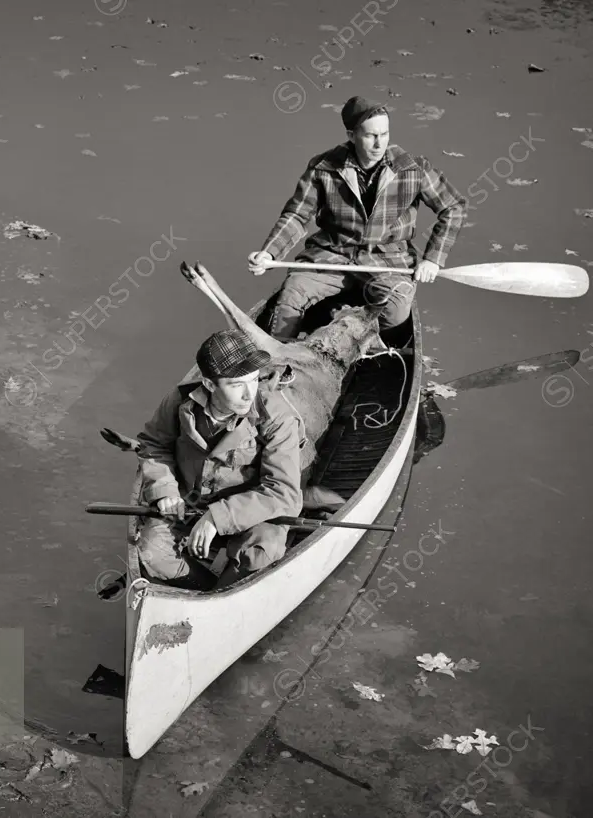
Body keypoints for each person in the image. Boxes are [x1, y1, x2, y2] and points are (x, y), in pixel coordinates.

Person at [249, 95, 467, 340]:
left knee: (395, 314)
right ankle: (279, 360)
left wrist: (433, 259)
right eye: (370, 136)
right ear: (351, 136)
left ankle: (348, 338)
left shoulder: (414, 169)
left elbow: (453, 208)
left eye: (384, 134)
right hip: (331, 254)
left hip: (388, 260)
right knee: (289, 297)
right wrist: (269, 253)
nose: (378, 144)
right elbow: (297, 214)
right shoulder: (324, 167)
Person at [134, 329, 304, 591]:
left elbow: (284, 493)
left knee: (260, 552)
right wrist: (164, 491)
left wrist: (217, 518)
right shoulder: (179, 402)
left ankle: (227, 593)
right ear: (210, 384)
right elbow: (154, 445)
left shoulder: (277, 418)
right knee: (152, 555)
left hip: (253, 515)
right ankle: (209, 590)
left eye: (254, 380)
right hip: (188, 505)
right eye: (237, 385)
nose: (249, 394)